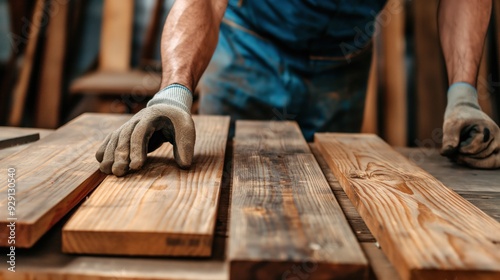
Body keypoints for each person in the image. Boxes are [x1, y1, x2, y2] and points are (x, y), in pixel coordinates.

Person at [96, 0, 500, 176]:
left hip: (343, 59)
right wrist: (174, 92)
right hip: (249, 48)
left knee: (332, 202)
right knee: (226, 195)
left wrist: (463, 93)